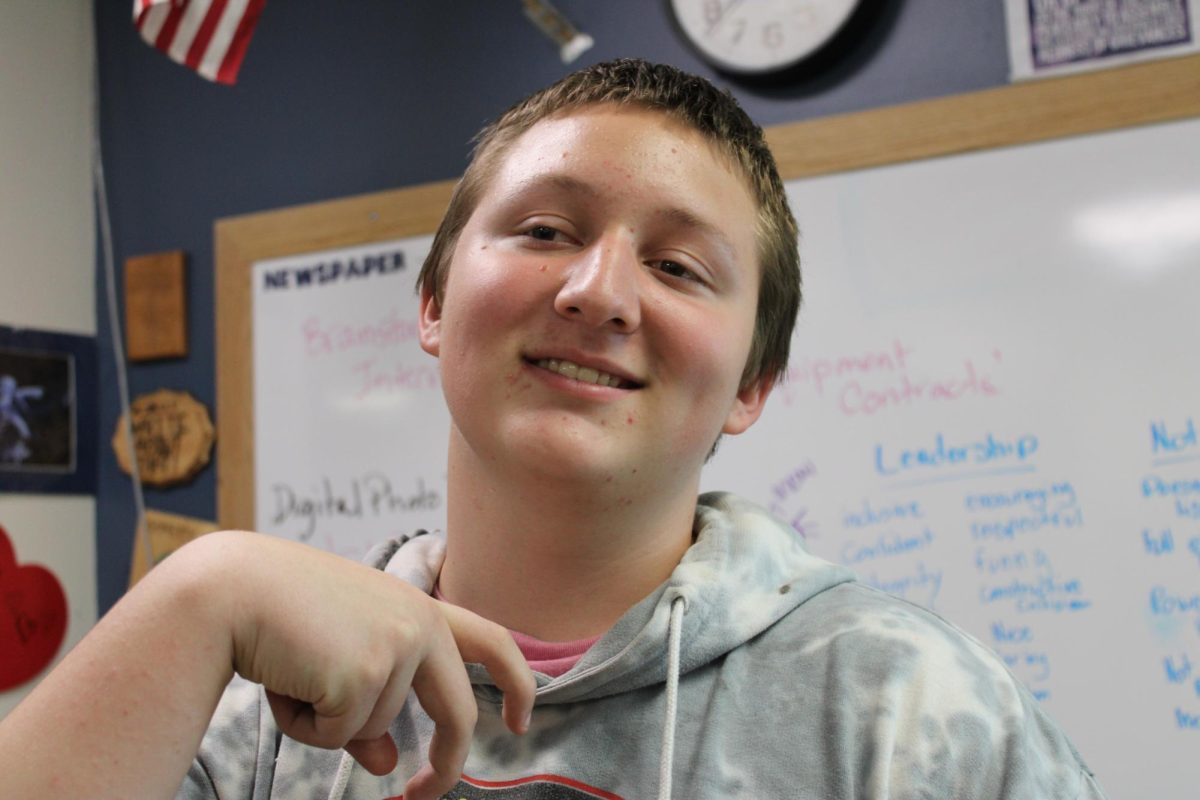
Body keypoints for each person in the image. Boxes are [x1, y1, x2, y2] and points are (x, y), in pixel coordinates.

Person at [0, 59, 1105, 800]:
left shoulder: (909, 713)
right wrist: (203, 593)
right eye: (542, 228)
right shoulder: (255, 706)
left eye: (678, 266)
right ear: (432, 304)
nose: (597, 290)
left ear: (750, 386)